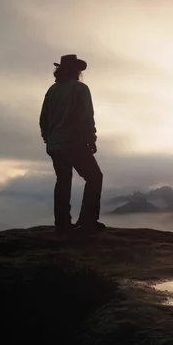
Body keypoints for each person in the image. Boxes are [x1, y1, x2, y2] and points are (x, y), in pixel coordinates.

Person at [40, 54, 105, 235]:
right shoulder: (80, 89)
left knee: (63, 181)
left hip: (55, 145)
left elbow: (43, 119)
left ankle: (62, 224)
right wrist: (91, 138)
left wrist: (48, 138)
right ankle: (88, 221)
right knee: (94, 177)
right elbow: (86, 116)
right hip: (74, 143)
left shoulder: (52, 91)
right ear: (75, 71)